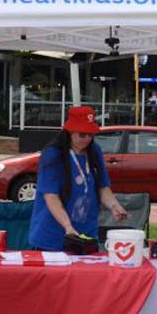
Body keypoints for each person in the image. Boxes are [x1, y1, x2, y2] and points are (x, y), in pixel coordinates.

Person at [28, 106, 128, 251]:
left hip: (87, 233)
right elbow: (51, 196)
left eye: (91, 135)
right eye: (82, 135)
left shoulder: (94, 150)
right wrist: (68, 226)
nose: (87, 139)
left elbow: (102, 186)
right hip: (53, 236)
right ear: (70, 132)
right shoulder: (53, 155)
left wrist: (114, 206)